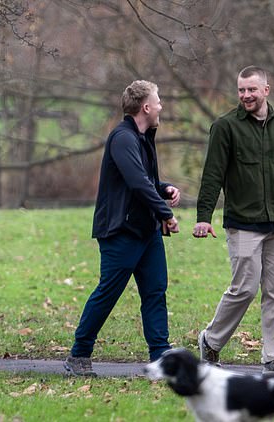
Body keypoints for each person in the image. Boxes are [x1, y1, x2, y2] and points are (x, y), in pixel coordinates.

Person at [193, 66, 274, 375]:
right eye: (241, 90)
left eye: (251, 89)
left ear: (266, 90)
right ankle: (210, 341)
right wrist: (203, 217)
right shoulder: (226, 127)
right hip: (243, 224)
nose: (246, 95)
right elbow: (212, 175)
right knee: (244, 289)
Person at [65, 80, 180, 377]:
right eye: (158, 101)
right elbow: (137, 183)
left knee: (155, 291)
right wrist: (166, 213)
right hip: (120, 231)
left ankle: (160, 357)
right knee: (109, 292)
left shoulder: (143, 138)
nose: (160, 106)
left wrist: (164, 188)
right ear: (145, 107)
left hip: (146, 231)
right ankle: (79, 354)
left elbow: (146, 180)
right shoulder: (123, 138)